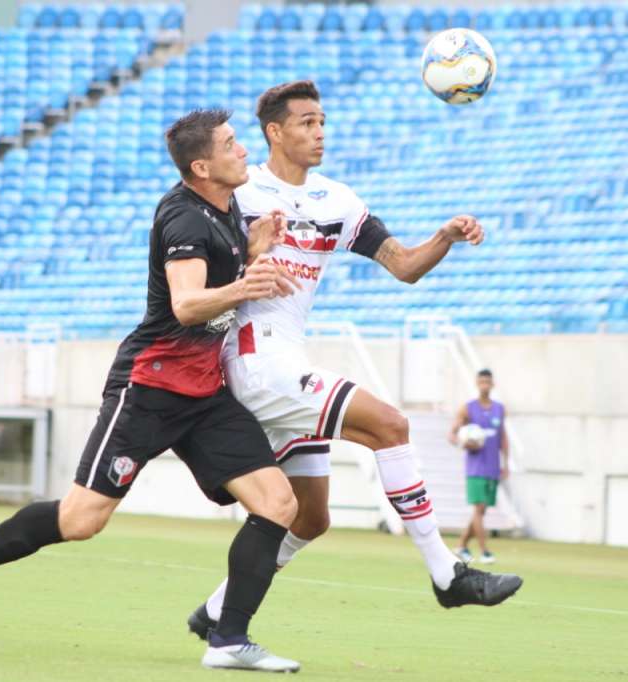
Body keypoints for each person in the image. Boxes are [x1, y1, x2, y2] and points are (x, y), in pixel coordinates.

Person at [0, 108, 306, 673]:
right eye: (231, 144)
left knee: (278, 503)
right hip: (148, 387)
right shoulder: (185, 220)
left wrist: (252, 250)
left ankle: (228, 641)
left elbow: (215, 288)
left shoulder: (228, 209)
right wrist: (249, 278)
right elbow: (186, 304)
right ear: (202, 165)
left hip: (204, 391)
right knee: (81, 522)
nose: (243, 150)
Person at [186, 81, 522, 640]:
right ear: (275, 131)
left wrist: (444, 237)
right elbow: (201, 277)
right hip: (253, 359)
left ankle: (217, 612)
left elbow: (404, 266)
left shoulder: (337, 201)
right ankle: (447, 574)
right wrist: (252, 252)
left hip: (284, 361)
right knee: (390, 424)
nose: (320, 133)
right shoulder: (239, 193)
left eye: (323, 122)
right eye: (307, 123)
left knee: (311, 517)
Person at [449, 368, 509, 564]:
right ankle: (485, 551)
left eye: (487, 382)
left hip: (492, 466)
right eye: (481, 381)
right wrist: (462, 442)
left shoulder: (499, 409)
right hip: (475, 467)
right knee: (479, 508)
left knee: (481, 511)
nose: (484, 385)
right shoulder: (468, 408)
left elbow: (503, 436)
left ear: (492, 384)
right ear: (477, 384)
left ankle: (461, 546)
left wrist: (505, 463)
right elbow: (452, 434)